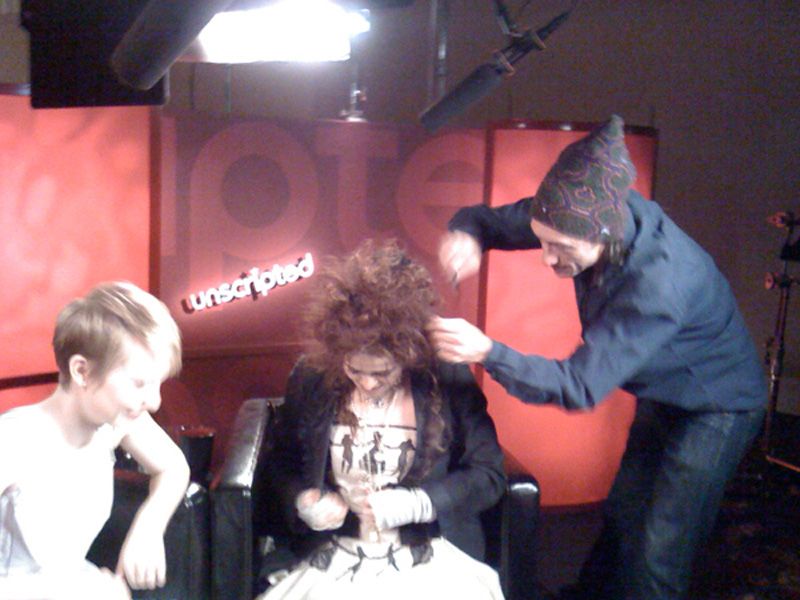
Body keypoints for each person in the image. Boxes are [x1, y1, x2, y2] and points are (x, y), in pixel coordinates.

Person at [428, 115, 767, 600]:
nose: (546, 258)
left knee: (660, 549)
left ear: (606, 236)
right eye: (542, 240)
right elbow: (490, 220)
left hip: (718, 406)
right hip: (663, 391)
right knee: (624, 515)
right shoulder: (573, 214)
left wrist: (487, 351)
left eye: (559, 248)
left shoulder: (660, 283)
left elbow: (579, 385)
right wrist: (469, 233)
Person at [256, 239, 507, 600]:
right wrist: (304, 500)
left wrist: (420, 503)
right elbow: (281, 464)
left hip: (430, 550)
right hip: (332, 552)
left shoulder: (446, 375)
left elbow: (488, 474)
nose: (367, 383)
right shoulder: (312, 376)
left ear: (408, 355)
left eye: (381, 373)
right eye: (355, 370)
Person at [0, 281, 190, 599]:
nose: (155, 402)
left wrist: (149, 527)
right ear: (82, 372)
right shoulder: (16, 439)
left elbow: (174, 468)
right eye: (140, 383)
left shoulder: (116, 423)